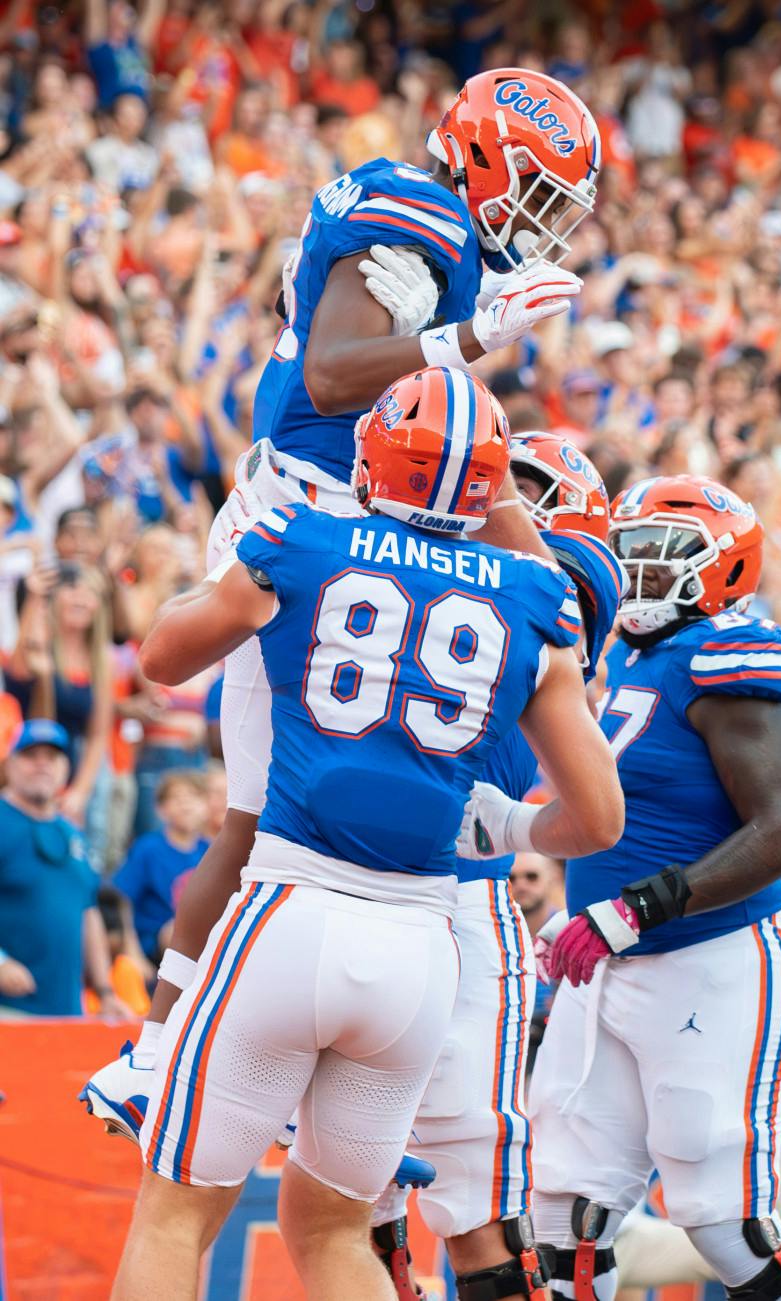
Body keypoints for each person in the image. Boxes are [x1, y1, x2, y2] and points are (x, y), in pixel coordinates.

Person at [93, 66, 596, 1117]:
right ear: (483, 157)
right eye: (536, 192)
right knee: (257, 819)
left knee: (267, 814)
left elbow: (429, 427)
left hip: (354, 518)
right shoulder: (419, 213)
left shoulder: (424, 220)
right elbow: (330, 375)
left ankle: (206, 1058)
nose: (538, 225)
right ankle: (160, 1052)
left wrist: (539, 565)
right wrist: (470, 335)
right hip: (311, 527)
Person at [107, 367, 622, 1300]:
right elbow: (597, 818)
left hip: (294, 906)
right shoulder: (534, 596)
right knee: (335, 1227)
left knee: (174, 1207)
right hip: (423, 948)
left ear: (372, 452)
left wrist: (244, 562)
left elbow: (161, 658)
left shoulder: (304, 539)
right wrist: (506, 821)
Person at [524, 475, 781, 1301]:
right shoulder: (632, 647)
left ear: (723, 568)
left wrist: (635, 909)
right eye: (629, 553)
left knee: (724, 1224)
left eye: (660, 557)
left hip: (714, 957)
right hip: (610, 962)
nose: (636, 573)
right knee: (558, 1215)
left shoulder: (730, 656)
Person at [368, 449, 627, 1301]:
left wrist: (490, 487)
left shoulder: (569, 575)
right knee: (353, 1186)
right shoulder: (396, 551)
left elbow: (556, 603)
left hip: (468, 889)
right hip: (362, 876)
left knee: (478, 1191)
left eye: (530, 489)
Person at [0, 720, 109, 1017]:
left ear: (66, 768)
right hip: (9, 1010)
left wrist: (105, 990)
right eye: (30, 756)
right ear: (9, 764)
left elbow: (88, 911)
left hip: (66, 1011)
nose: (42, 765)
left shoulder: (72, 833)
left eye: (52, 757)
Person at [111, 769, 210, 961]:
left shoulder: (210, 850)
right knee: (176, 929)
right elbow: (121, 898)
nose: (186, 804)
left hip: (200, 942)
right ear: (161, 809)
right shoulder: (148, 848)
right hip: (156, 942)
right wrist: (133, 953)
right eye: (176, 798)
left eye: (193, 797)